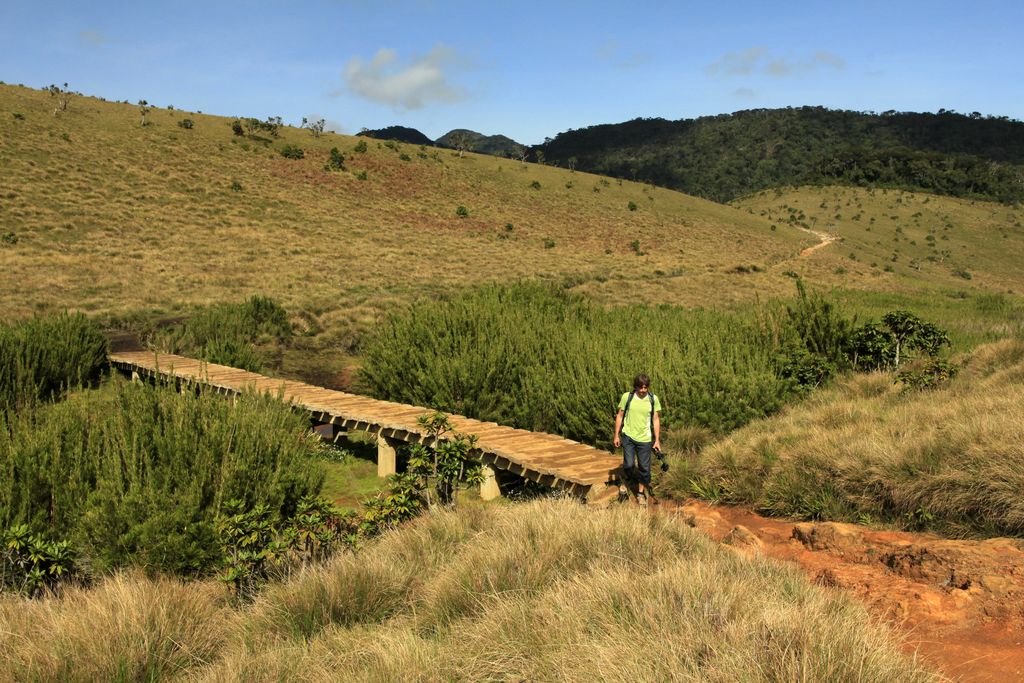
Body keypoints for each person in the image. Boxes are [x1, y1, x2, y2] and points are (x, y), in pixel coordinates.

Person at [613, 373, 661, 506]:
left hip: (645, 439)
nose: (643, 390)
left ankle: (640, 493)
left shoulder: (653, 399)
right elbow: (620, 415)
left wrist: (657, 440)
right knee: (628, 464)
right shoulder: (627, 397)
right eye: (640, 387)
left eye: (645, 387)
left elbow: (656, 419)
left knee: (644, 469)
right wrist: (616, 435)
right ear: (636, 387)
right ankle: (626, 481)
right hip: (628, 436)